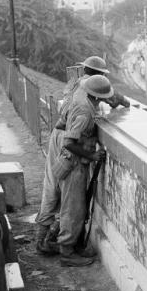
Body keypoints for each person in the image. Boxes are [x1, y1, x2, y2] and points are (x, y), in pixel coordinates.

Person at [35, 74, 115, 266]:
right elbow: (69, 142)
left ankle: (63, 244)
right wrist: (92, 156)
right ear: (99, 97)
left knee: (68, 205)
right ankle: (67, 253)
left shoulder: (80, 96)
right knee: (73, 210)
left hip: (68, 161)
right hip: (74, 165)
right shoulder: (85, 112)